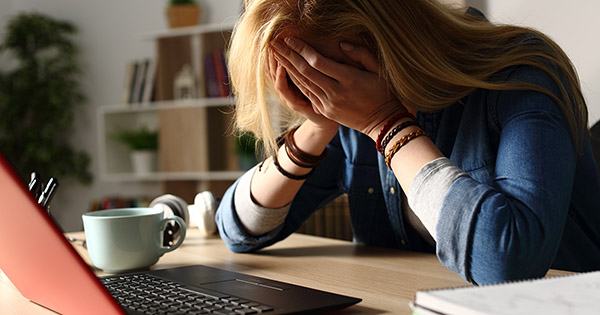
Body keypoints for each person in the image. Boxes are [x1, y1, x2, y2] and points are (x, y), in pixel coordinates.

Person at [215, 0, 600, 285]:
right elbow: (239, 230)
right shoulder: (345, 108)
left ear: (392, 43)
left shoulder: (523, 73)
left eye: (329, 78)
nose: (327, 94)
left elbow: (508, 262)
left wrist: (385, 123)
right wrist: (316, 126)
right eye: (307, 82)